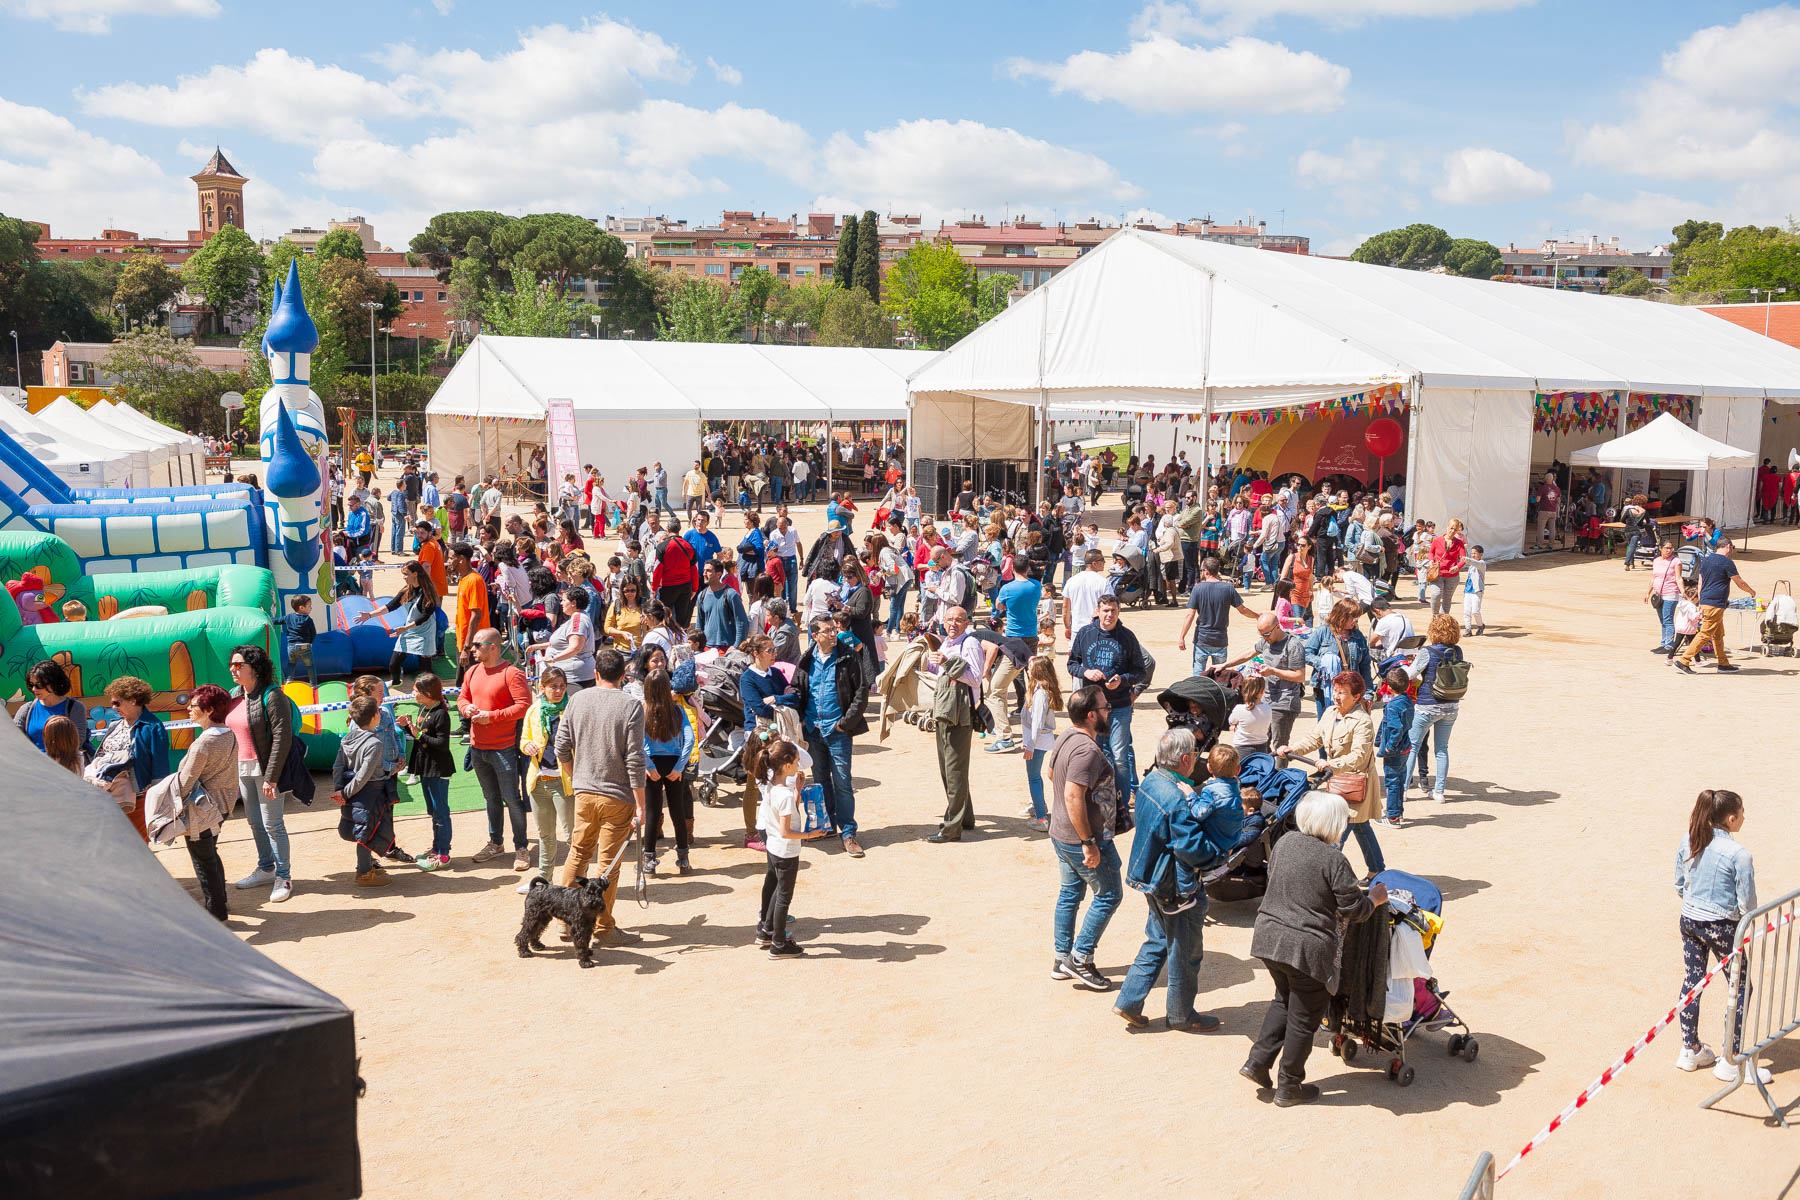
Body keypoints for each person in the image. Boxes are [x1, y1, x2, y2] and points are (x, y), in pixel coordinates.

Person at [1240, 793, 1386, 1106]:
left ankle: (1258, 1063)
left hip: (1269, 937)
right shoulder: (1334, 859)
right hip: (1306, 948)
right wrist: (1374, 899)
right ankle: (1289, 1085)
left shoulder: (1284, 843)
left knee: (1283, 1000)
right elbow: (1355, 910)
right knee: (1304, 1017)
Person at [1115, 730, 1244, 1032]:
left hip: (1149, 876)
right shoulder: (1176, 799)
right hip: (1173, 884)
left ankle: (1129, 1001)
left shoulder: (1152, 781)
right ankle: (1181, 1014)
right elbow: (1192, 848)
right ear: (1186, 759)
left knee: (1158, 939)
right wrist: (1219, 854)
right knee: (1186, 952)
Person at [1673, 789, 1768, 1084]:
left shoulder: (1689, 839)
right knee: (1740, 987)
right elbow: (1747, 904)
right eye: (1742, 812)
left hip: (1690, 919)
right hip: (1722, 926)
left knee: (1693, 980)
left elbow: (1679, 884)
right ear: (1730, 818)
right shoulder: (1739, 854)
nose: (1744, 817)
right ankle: (1730, 1057)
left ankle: (1690, 1049)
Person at [556, 648, 647, 950]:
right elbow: (635, 759)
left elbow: (561, 747)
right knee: (608, 865)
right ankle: (603, 926)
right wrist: (641, 803)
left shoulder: (577, 699)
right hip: (617, 795)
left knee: (578, 853)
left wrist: (576, 775)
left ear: (596, 673)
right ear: (624, 675)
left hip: (584, 791)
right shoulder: (631, 706)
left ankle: (565, 920)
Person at [1047, 685, 1124, 991]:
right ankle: (1080, 958)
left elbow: (1051, 773)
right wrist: (1088, 841)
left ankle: (1061, 957)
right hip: (1082, 839)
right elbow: (1072, 794)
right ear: (1092, 715)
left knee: (1070, 894)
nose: (1110, 711)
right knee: (1108, 894)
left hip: (1060, 832)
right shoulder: (1087, 750)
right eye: (1106, 708)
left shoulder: (1067, 735)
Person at [144, 684, 238, 920]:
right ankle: (220, 903)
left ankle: (216, 913)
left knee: (203, 860)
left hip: (202, 810)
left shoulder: (203, 744)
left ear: (208, 710)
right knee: (210, 855)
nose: (188, 708)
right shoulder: (229, 734)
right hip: (223, 805)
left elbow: (185, 783)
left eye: (194, 705)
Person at [1279, 671, 1385, 878]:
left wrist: (1331, 764)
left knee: (1338, 830)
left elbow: (1359, 757)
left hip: (1355, 781)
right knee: (1360, 825)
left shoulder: (1362, 721)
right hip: (1337, 781)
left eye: (1342, 692)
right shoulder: (1330, 712)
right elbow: (1314, 738)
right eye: (1335, 691)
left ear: (1356, 696)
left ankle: (1326, 876)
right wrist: (1292, 749)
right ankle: (1378, 869)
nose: (1336, 696)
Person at [225, 645, 297, 902]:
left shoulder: (273, 695)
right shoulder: (235, 694)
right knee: (254, 821)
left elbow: (282, 737)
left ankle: (284, 876)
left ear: (254, 668)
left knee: (273, 823)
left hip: (265, 770)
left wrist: (272, 777)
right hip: (243, 768)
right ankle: (267, 868)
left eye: (238, 665)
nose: (233, 669)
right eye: (232, 664)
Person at [795, 614, 870, 857]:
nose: (833, 634)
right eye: (827, 631)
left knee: (843, 783)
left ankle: (848, 832)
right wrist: (801, 720)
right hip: (814, 730)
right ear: (814, 636)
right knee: (820, 780)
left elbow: (861, 692)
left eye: (833, 630)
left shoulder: (848, 656)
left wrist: (845, 724)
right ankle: (826, 826)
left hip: (837, 731)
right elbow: (798, 690)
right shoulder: (806, 660)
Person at [458, 629, 533, 869]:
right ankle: (495, 842)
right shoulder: (471, 672)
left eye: (477, 645)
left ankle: (521, 848)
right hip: (478, 747)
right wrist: (466, 708)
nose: (472, 650)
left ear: (493, 647)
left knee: (512, 799)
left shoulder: (512, 674)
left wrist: (492, 717)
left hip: (504, 748)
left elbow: (523, 707)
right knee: (490, 798)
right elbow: (461, 698)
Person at [1066, 594, 1147, 806]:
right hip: (1092, 709)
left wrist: (1123, 680)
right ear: (1098, 611)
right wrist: (1086, 672)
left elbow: (1140, 670)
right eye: (1105, 610)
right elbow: (1071, 664)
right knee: (1095, 754)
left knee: (1120, 757)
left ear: (1119, 612)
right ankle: (1096, 801)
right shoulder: (1085, 634)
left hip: (1119, 706)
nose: (1109, 615)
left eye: (1113, 610)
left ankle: (1120, 803)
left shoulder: (1127, 637)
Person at [331, 695, 415, 888]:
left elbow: (338, 766)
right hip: (372, 793)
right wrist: (394, 768)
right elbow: (366, 774)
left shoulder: (347, 738)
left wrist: (340, 789)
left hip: (353, 792)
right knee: (367, 831)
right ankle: (364, 872)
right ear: (375, 717)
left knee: (363, 829)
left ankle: (368, 866)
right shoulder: (374, 743)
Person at [756, 736, 827, 957]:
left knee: (778, 890)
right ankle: (778, 943)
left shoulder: (772, 787)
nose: (798, 766)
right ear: (786, 765)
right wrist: (810, 834)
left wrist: (797, 789)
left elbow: (786, 816)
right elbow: (787, 830)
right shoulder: (783, 795)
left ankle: (768, 931)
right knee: (784, 897)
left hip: (775, 848)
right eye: (796, 762)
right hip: (786, 850)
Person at [925, 605, 987, 844]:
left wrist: (947, 662)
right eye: (949, 619)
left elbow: (974, 678)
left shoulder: (968, 643)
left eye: (958, 620)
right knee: (950, 769)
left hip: (959, 714)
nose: (953, 624)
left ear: (966, 622)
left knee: (954, 771)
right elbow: (938, 670)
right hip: (945, 711)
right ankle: (966, 818)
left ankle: (952, 827)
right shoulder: (946, 643)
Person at [93, 675, 171, 843]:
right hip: (108, 797)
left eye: (117, 702)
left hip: (137, 800)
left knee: (135, 846)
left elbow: (160, 768)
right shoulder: (115, 725)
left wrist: (156, 804)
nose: (113, 707)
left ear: (134, 700)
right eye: (112, 703)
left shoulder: (153, 727)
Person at [1223, 613, 1307, 754]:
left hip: (1285, 703)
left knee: (1280, 747)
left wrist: (1273, 671)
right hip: (1265, 701)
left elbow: (1300, 676)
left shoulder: (1293, 646)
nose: (1264, 638)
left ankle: (1279, 774)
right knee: (1262, 742)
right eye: (1261, 634)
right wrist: (1225, 665)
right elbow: (1249, 654)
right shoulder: (1266, 641)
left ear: (1277, 627)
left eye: (1267, 634)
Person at [641, 667, 696, 876]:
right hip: (674, 764)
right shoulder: (678, 710)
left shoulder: (643, 710)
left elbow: (639, 742)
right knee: (677, 812)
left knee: (653, 813)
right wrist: (679, 767)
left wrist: (649, 766)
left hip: (653, 766)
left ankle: (649, 860)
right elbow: (689, 739)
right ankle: (683, 859)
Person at [398, 672, 455, 870]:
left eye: (416, 690)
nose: (413, 693)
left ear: (427, 693)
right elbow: (419, 736)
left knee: (441, 812)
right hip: (426, 767)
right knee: (434, 812)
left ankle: (444, 854)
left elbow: (441, 743)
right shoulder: (425, 708)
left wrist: (418, 733)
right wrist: (408, 729)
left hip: (438, 769)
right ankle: (436, 848)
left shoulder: (441, 714)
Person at [1675, 539, 1756, 674]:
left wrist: (1701, 600)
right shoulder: (1726, 562)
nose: (1732, 550)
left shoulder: (1706, 560)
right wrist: (1751, 591)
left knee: (1718, 635)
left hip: (1707, 601)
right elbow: (1739, 581)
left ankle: (1723, 663)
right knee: (1705, 633)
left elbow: (1700, 582)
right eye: (1732, 547)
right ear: (1728, 547)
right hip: (1716, 603)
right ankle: (1684, 660)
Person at [987, 561, 1043, 750]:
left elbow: (999, 606)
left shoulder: (1007, 588)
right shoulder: (1036, 585)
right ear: (1026, 568)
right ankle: (1038, 721)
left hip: (1014, 637)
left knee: (997, 688)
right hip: (1031, 636)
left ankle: (1004, 735)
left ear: (1012, 569)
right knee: (1033, 678)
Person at [361, 560, 440, 686]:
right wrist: (370, 615)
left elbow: (425, 616)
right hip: (408, 629)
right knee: (394, 664)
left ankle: (440, 695)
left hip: (424, 631)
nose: (404, 577)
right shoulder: (406, 590)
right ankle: (396, 682)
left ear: (415, 574)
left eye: (406, 574)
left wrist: (405, 628)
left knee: (426, 670)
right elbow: (390, 606)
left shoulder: (427, 591)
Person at [1177, 555, 1258, 673]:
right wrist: (1257, 616)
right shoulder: (1228, 588)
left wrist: (1182, 637)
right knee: (1219, 675)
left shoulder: (1198, 589)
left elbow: (1190, 615)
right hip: (1220, 639)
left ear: (1206, 571)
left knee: (1198, 674)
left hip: (1202, 639)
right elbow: (1243, 610)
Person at [1303, 599, 1374, 720]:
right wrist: (1324, 663)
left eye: (1357, 617)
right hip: (1325, 688)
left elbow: (1365, 666)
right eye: (1352, 617)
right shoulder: (1323, 632)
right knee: (1326, 725)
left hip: (1350, 691)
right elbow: (1306, 653)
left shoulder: (1358, 636)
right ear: (1341, 616)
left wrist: (1368, 693)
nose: (1355, 621)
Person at [1020, 654, 1061, 832]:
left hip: (1037, 742)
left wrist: (1030, 745)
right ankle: (1040, 808)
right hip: (1039, 740)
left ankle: (1041, 818)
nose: (1028, 669)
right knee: (1035, 776)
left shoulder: (1040, 695)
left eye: (1030, 667)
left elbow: (1036, 722)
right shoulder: (1041, 690)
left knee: (1033, 777)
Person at [15, 659, 88, 754]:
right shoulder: (26, 709)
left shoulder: (75, 707)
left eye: (39, 685)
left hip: (63, 765)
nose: (34, 689)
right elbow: (14, 737)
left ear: (54, 682)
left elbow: (78, 740)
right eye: (31, 685)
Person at [531, 585, 597, 689]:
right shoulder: (576, 618)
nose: (561, 603)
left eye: (564, 600)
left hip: (576, 677)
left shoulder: (578, 620)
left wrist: (553, 658)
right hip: (572, 675)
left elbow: (576, 647)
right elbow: (562, 642)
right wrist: (538, 646)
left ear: (573, 603)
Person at [1375, 667, 1415, 828]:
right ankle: (1398, 812)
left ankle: (1392, 817)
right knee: (1399, 780)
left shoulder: (1392, 706)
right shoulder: (1408, 701)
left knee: (1392, 782)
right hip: (1405, 748)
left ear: (1389, 687)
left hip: (1395, 750)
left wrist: (1389, 747)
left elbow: (1395, 728)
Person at [696, 558, 749, 652]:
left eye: (708, 571)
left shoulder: (731, 595)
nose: (704, 574)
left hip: (727, 648)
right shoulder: (702, 596)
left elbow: (742, 622)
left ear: (719, 574)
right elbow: (699, 624)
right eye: (704, 570)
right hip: (707, 648)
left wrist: (736, 646)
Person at [1061, 548, 1110, 640]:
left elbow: (1065, 607)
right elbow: (1110, 606)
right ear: (1094, 563)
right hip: (1097, 628)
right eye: (1102, 560)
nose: (1104, 562)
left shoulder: (1071, 581)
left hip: (1077, 628)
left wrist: (1067, 627)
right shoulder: (1104, 582)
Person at [1426, 518, 1467, 617]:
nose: (1452, 531)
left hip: (1452, 576)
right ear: (1447, 527)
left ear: (1458, 531)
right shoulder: (1437, 540)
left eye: (1455, 529)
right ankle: (1435, 617)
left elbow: (1463, 559)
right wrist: (1431, 560)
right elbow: (1431, 552)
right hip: (1437, 574)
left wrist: (1457, 567)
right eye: (1451, 528)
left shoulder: (1459, 543)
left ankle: (1444, 620)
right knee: (1436, 594)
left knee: (1447, 598)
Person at [1227, 675, 1271, 756]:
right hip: (1262, 747)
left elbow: (1231, 721)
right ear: (1262, 691)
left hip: (1242, 748)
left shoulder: (1239, 709)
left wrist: (1234, 726)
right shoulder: (1268, 708)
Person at [283, 595, 317, 685]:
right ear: (301, 608)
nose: (311, 608)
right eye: (309, 606)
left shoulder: (288, 617)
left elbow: (277, 620)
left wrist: (268, 617)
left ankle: (289, 680)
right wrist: (310, 642)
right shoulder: (308, 619)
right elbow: (313, 633)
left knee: (291, 664)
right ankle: (313, 684)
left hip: (291, 647)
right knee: (310, 666)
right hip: (304, 646)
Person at [1462, 544, 1488, 636]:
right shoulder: (1471, 566)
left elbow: (1473, 562)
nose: (1473, 555)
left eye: (1475, 553)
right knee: (1466, 611)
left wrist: (1465, 558)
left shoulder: (1481, 563)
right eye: (1472, 553)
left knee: (1475, 611)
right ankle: (1468, 629)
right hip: (1468, 591)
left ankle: (1480, 626)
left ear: (1481, 554)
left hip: (1477, 591)